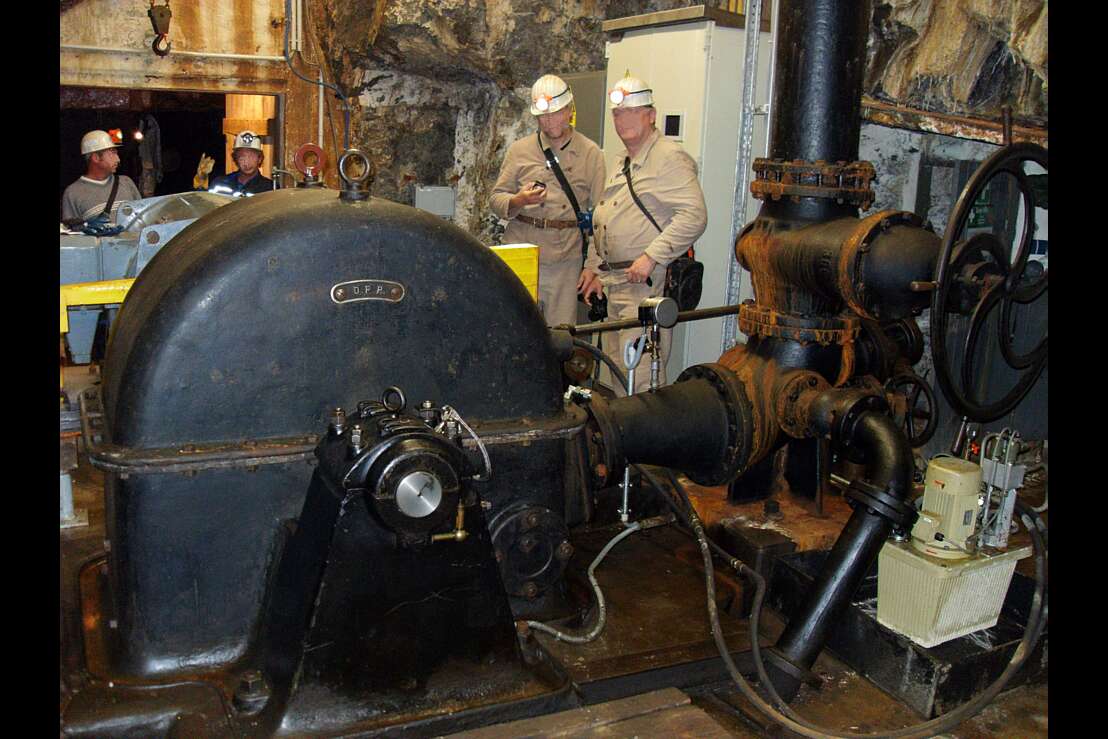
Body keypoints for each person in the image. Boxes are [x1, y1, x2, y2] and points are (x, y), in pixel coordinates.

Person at [578, 74, 707, 393]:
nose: (625, 120)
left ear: (651, 115)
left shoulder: (668, 157)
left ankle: (647, 442)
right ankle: (625, 438)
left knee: (642, 377)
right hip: (616, 283)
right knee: (619, 372)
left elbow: (694, 216)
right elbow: (605, 215)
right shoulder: (622, 160)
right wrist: (595, 267)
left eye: (634, 112)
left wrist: (652, 257)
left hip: (644, 284)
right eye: (619, 113)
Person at [490, 74, 606, 328]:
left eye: (556, 112)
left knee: (559, 334)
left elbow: (601, 218)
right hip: (522, 247)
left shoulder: (591, 154)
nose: (549, 120)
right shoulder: (520, 150)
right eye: (543, 115)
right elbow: (496, 199)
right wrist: (519, 200)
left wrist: (593, 267)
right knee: (517, 328)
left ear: (569, 111)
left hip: (564, 257)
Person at [61, 130, 141, 226]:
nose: (118, 159)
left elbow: (143, 217)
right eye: (112, 153)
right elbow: (71, 236)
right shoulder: (73, 193)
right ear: (96, 158)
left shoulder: (126, 182)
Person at [208, 131, 274, 196]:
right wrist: (201, 185)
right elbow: (204, 203)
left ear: (259, 159)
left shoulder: (270, 188)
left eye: (251, 156)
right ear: (235, 159)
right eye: (242, 156)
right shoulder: (219, 184)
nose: (246, 161)